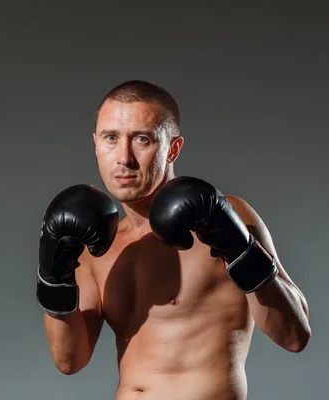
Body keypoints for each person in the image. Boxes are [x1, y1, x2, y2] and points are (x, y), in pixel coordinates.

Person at [35, 80, 312, 400]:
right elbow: (70, 360)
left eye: (142, 139)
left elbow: (295, 336)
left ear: (173, 148)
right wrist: (52, 274)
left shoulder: (224, 218)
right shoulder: (94, 248)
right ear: (96, 144)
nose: (124, 158)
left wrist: (239, 248)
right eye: (111, 138)